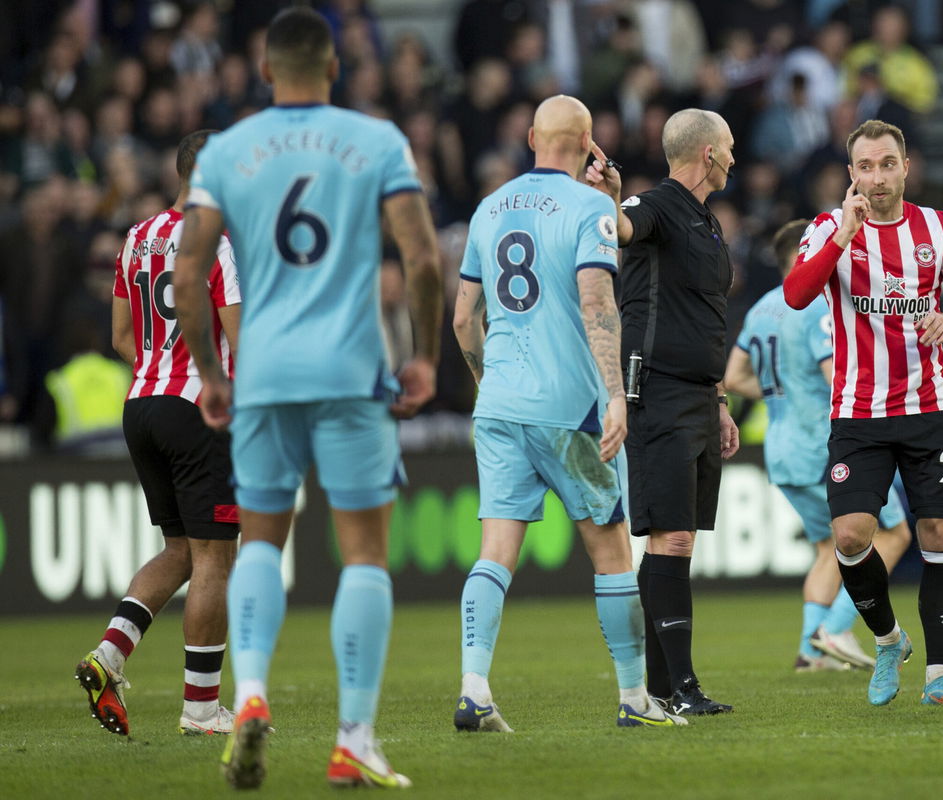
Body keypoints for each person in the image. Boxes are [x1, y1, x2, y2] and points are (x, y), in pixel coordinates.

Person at [173, 8, 442, 790]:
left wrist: (211, 374)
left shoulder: (224, 151)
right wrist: (422, 356)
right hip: (352, 370)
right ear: (333, 68)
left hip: (261, 374)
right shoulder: (375, 140)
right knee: (363, 552)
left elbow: (189, 273)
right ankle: (354, 735)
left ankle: (249, 692)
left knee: (260, 543)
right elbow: (422, 257)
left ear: (264, 72)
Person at [451, 94, 683, 732]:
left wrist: (485, 381)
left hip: (498, 403)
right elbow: (596, 300)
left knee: (495, 551)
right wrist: (614, 393)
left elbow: (463, 318)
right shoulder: (587, 207)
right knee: (610, 551)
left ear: (530, 136)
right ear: (590, 144)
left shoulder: (488, 208)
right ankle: (636, 698)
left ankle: (474, 687)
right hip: (568, 406)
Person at [782, 119, 943, 706]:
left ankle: (940, 678)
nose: (877, 177)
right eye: (865, 167)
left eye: (887, 164)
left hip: (930, 406)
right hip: (857, 412)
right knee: (850, 535)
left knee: (939, 530)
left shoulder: (938, 228)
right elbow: (797, 294)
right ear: (851, 175)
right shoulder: (827, 228)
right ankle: (888, 640)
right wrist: (840, 239)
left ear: (906, 167)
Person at [74, 129, 240, 739]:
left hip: (141, 403)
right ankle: (201, 711)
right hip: (197, 408)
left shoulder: (137, 237)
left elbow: (121, 336)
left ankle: (109, 656)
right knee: (216, 557)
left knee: (179, 550)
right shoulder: (218, 244)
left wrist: (157, 368)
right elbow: (240, 342)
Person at [585, 108, 738, 716]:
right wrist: (611, 201)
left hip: (700, 397)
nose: (733, 155)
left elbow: (705, 319)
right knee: (670, 537)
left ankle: (658, 688)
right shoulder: (659, 205)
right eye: (727, 146)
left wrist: (720, 400)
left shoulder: (706, 220)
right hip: (659, 393)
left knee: (680, 543)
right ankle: (680, 688)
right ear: (706, 154)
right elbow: (624, 228)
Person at [725, 218, 913, 673]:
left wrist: (782, 391)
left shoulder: (762, 308)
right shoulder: (815, 305)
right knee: (893, 533)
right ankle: (835, 627)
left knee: (830, 550)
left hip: (781, 449)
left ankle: (811, 653)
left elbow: (733, 377)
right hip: (820, 445)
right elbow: (837, 378)